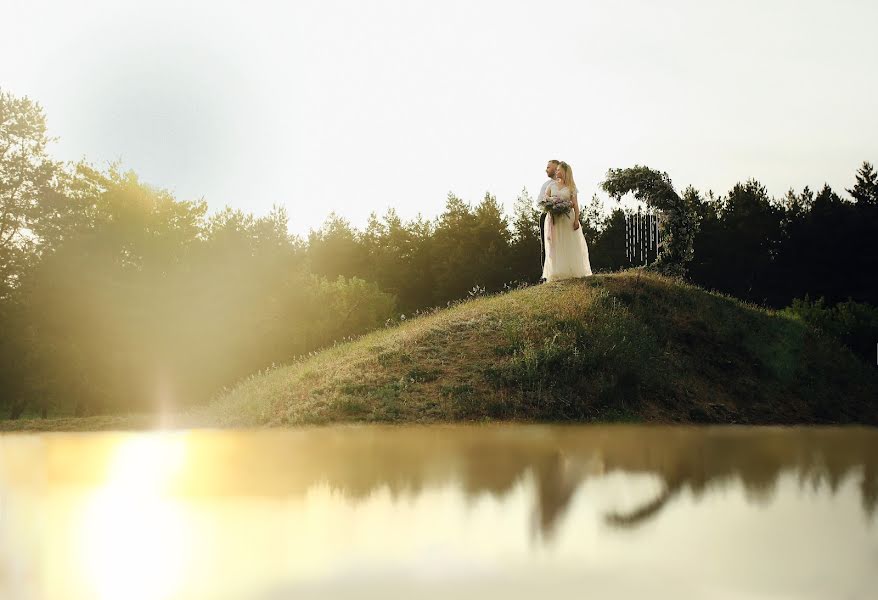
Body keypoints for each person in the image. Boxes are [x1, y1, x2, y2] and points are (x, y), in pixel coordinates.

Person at [541, 161, 593, 282]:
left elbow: (575, 205)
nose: (556, 171)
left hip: (567, 219)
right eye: (556, 170)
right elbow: (545, 199)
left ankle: (571, 270)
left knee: (568, 244)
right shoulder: (551, 186)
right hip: (555, 220)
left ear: (565, 171)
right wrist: (551, 204)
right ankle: (557, 272)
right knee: (556, 244)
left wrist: (576, 220)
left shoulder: (571, 188)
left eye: (559, 170)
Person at [538, 160, 560, 280]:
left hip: (563, 217)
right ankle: (546, 275)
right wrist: (551, 206)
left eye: (548, 167)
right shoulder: (546, 185)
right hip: (547, 216)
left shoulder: (567, 184)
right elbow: (540, 202)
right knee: (546, 245)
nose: (546, 169)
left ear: (556, 168)